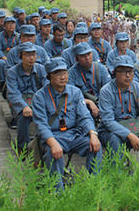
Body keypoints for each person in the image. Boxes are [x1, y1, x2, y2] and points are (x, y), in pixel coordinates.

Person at [32, 58, 102, 190]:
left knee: (95, 146)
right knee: (53, 153)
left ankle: (94, 185)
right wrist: (53, 143)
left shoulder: (74, 92)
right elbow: (41, 125)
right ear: (49, 77)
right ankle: (58, 193)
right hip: (54, 136)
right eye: (58, 74)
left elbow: (84, 117)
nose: (63, 77)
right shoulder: (40, 97)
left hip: (74, 134)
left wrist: (93, 134)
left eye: (65, 73)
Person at [98, 55, 139, 170]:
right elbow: (108, 121)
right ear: (115, 73)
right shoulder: (106, 91)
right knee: (113, 139)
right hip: (113, 130)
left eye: (130, 71)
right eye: (123, 71)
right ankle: (117, 178)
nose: (127, 75)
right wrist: (129, 135)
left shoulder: (138, 88)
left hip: (135, 126)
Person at [6, 42, 48, 152]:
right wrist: (24, 106)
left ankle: (44, 143)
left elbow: (46, 87)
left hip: (37, 99)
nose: (31, 58)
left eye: (33, 55)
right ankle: (22, 147)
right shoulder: (12, 72)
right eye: (28, 55)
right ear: (21, 56)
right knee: (24, 116)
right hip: (21, 101)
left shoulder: (40, 69)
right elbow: (13, 93)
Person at [68, 42, 110, 119]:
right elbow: (72, 96)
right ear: (77, 58)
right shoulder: (72, 73)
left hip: (102, 103)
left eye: (88, 54)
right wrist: (88, 102)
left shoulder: (101, 69)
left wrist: (102, 107)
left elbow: (108, 91)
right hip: (82, 106)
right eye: (83, 56)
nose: (87, 58)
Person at [0, 17, 20, 90]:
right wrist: (5, 59)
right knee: (0, 63)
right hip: (4, 58)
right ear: (4, 26)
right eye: (8, 24)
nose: (11, 25)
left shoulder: (18, 36)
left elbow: (20, 50)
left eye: (13, 23)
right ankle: (2, 82)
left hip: (15, 58)